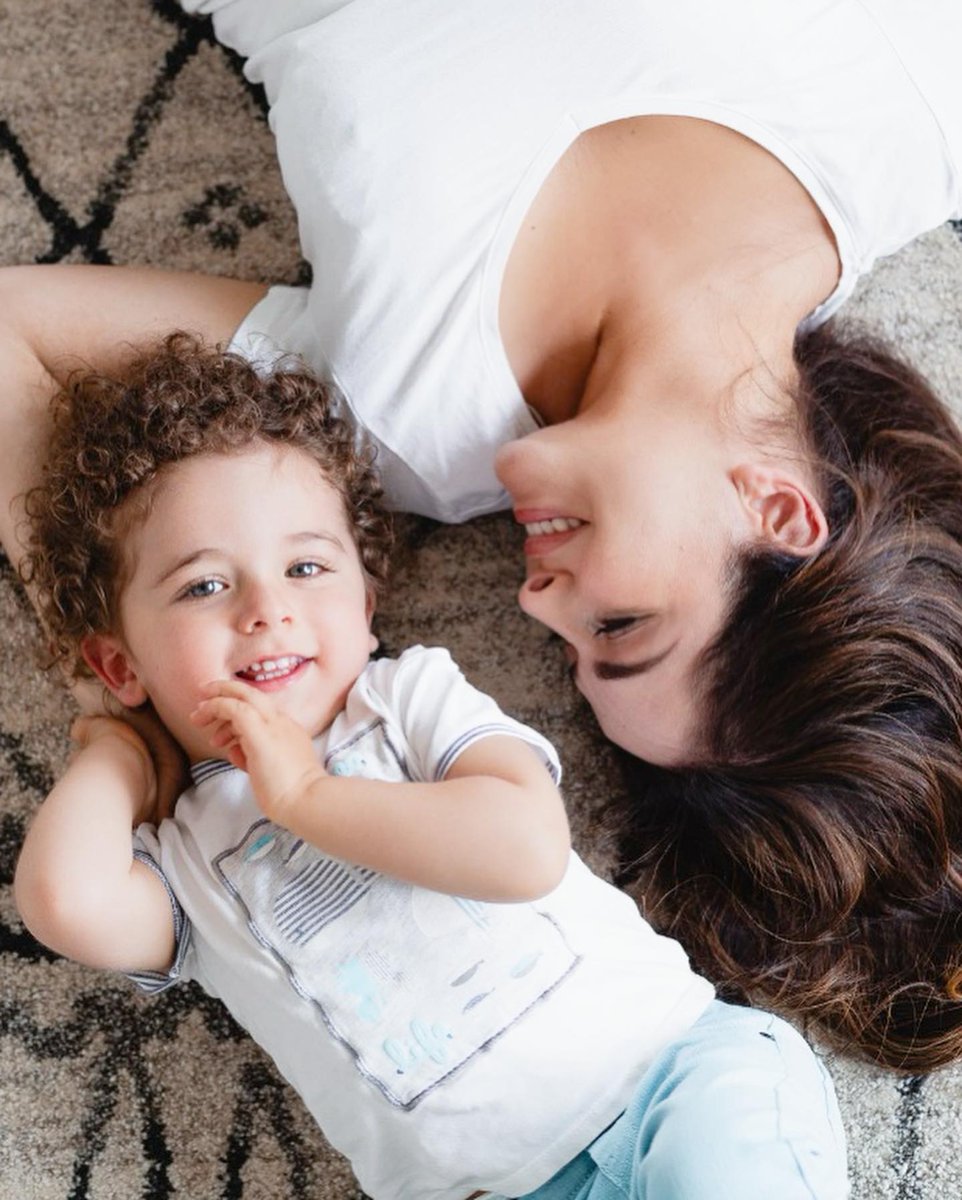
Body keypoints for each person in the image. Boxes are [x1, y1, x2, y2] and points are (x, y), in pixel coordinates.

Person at [1, 0, 960, 1068]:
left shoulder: (393, 417)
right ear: (778, 514)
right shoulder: (915, 112)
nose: (533, 597)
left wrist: (122, 699)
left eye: (569, 649)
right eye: (622, 624)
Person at [12, 338, 847, 1200]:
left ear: (366, 609)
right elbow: (64, 903)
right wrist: (117, 750)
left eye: (307, 567)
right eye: (203, 587)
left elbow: (523, 849)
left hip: (667, 1075)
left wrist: (307, 795)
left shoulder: (405, 700)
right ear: (120, 667)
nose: (269, 610)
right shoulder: (185, 858)